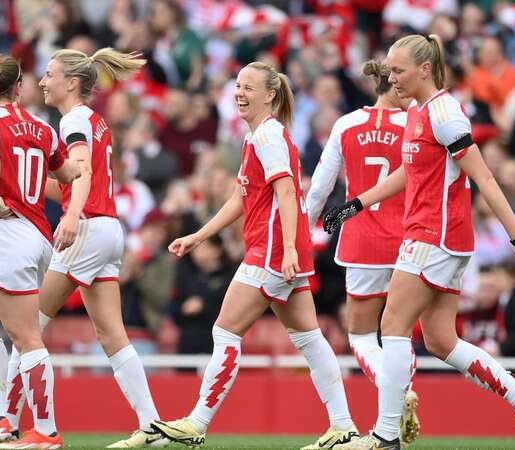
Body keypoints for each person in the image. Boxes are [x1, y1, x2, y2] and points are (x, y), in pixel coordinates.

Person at [323, 35, 515, 450]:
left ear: (424, 69)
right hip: (436, 237)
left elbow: (483, 177)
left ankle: (385, 436)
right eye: (389, 70)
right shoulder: (418, 110)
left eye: (398, 70)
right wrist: (357, 202)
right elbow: (410, 172)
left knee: (392, 326)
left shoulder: (445, 113)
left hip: (436, 237)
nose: (390, 78)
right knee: (440, 340)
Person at [150, 61, 359, 450]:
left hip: (272, 252)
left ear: (270, 95)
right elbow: (241, 198)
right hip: (279, 252)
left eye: (249, 87)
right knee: (311, 340)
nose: (239, 93)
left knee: (225, 331)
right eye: (237, 86)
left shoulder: (268, 136)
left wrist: (291, 249)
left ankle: (197, 423)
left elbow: (285, 193)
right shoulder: (258, 137)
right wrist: (199, 235)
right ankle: (343, 426)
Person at [5, 47, 167, 449]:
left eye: (49, 74)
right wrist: (20, 187)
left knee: (27, 329)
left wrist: (73, 217)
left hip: (89, 227)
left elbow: (82, 173)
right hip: (108, 229)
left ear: (71, 82)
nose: (41, 82)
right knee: (112, 335)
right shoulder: (94, 121)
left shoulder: (74, 120)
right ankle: (152, 425)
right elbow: (73, 181)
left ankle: (9, 423)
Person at [0, 54, 80, 449]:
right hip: (37, 234)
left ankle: (46, 431)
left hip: (8, 233)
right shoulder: (42, 128)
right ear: (18, 87)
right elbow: (69, 173)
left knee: (26, 339)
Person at [305, 60, 420, 448]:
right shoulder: (416, 125)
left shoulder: (345, 124)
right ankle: (400, 391)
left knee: (360, 334)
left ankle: (397, 394)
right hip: (410, 239)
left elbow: (320, 189)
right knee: (401, 334)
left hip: (363, 241)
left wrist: (301, 233)